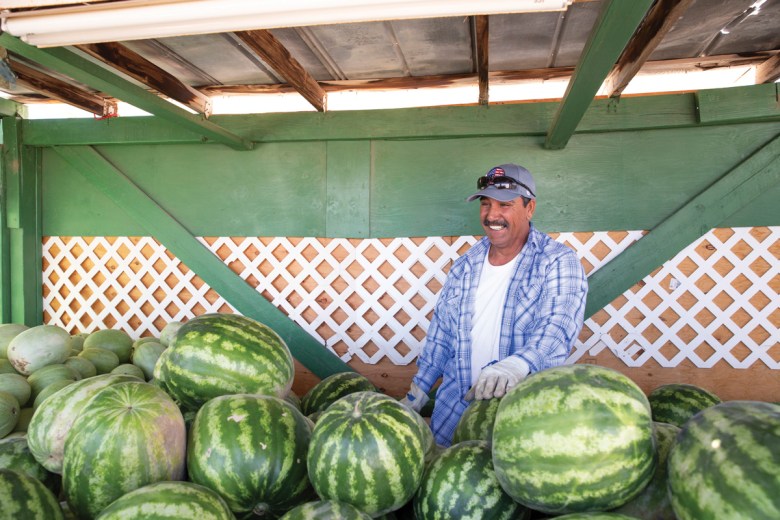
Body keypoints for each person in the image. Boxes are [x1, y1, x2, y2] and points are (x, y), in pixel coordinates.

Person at [401, 163, 588, 446]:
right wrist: (418, 392)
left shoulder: (557, 261)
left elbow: (558, 327)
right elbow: (441, 336)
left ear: (529, 208)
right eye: (486, 204)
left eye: (505, 204)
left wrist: (516, 365)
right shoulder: (465, 265)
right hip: (451, 417)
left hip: (518, 422)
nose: (492, 215)